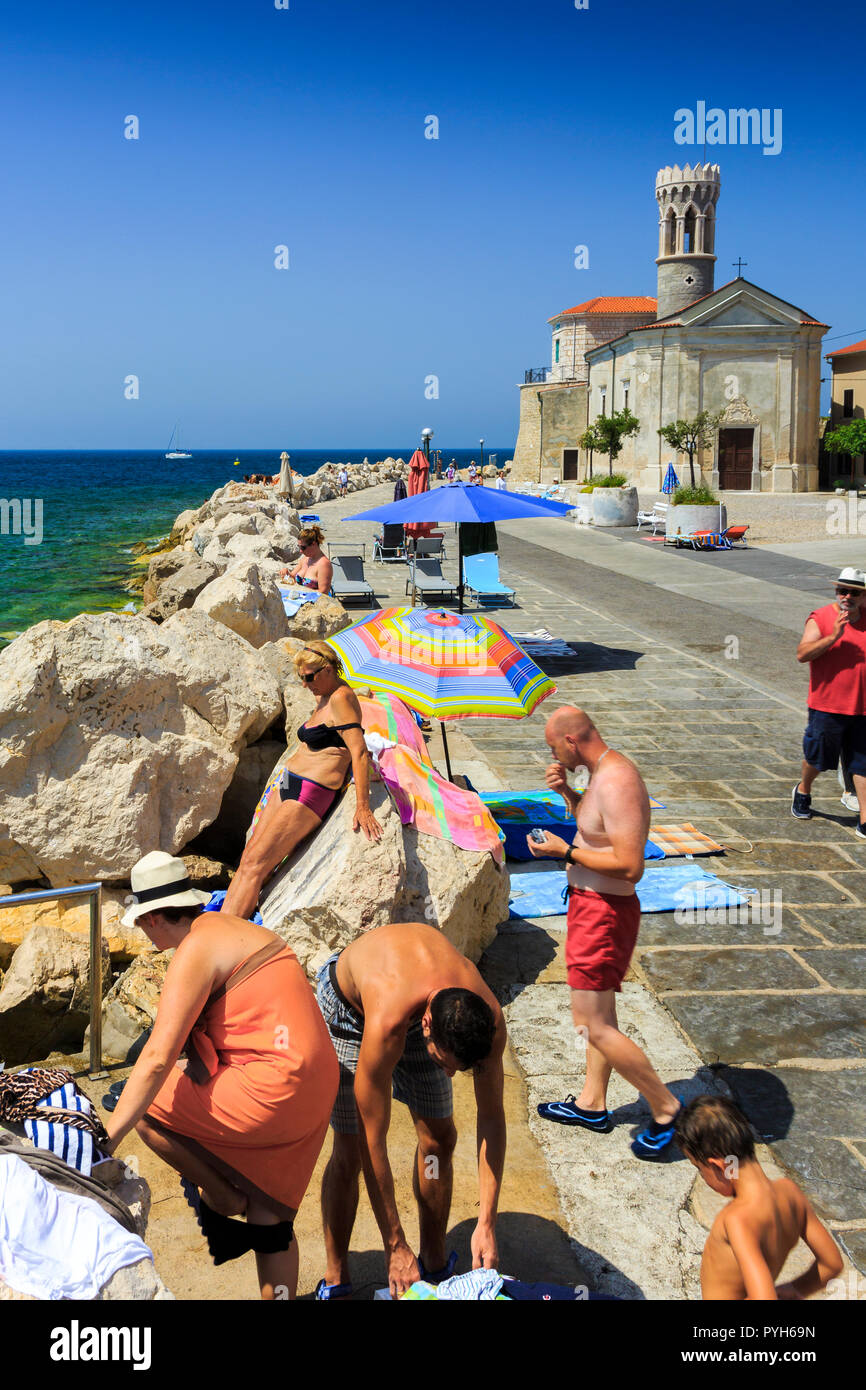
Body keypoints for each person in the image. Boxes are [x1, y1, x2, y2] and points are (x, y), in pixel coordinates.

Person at [103, 852, 339, 1300]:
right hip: (316, 1082)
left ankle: (222, 1196)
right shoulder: (237, 928)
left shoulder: (193, 951)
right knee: (270, 1213)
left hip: (274, 1087)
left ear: (152, 919)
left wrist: (108, 1141)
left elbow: (155, 1058)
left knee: (144, 1106)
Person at [315, 921, 506, 1300]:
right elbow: (375, 1141)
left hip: (425, 1005)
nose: (450, 1074)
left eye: (458, 1068)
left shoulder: (489, 1021)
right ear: (428, 1025)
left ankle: (433, 1260)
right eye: (447, 1064)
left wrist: (487, 1221)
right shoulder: (387, 1023)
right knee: (351, 1146)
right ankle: (336, 1275)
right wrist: (394, 1244)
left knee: (438, 1140)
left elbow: (492, 1118)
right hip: (351, 1011)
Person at [528, 706, 681, 1158]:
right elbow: (599, 835)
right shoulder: (597, 775)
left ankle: (666, 1105)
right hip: (589, 907)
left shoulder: (617, 780)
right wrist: (569, 797)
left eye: (553, 746)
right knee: (601, 1018)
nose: (552, 753)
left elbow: (631, 866)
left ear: (571, 741)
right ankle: (592, 1103)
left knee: (589, 1025)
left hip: (604, 914)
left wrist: (566, 851)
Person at [221, 642, 382, 920]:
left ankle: (225, 934)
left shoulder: (341, 699)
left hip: (310, 791)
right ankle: (224, 921)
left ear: (328, 670)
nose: (306, 684)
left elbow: (358, 751)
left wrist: (363, 805)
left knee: (256, 866)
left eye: (310, 677)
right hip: (289, 783)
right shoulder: (324, 694)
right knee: (248, 858)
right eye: (301, 678)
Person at [675, 1096, 842, 1300]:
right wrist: (797, 1289)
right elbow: (832, 1263)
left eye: (700, 1170)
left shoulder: (738, 1219)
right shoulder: (791, 1193)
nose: (703, 1177)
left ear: (719, 1167)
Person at [793, 567, 866, 836]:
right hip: (828, 706)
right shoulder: (821, 618)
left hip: (863, 708)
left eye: (854, 592)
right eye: (842, 590)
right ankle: (803, 790)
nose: (847, 596)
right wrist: (833, 637)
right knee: (818, 759)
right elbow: (802, 654)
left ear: (864, 596)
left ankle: (865, 820)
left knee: (862, 764)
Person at [279, 524, 333, 594]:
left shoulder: (324, 564)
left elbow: (323, 592)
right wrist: (286, 573)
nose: (301, 551)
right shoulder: (305, 559)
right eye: (299, 547)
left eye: (303, 547)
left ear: (314, 544)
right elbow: (292, 578)